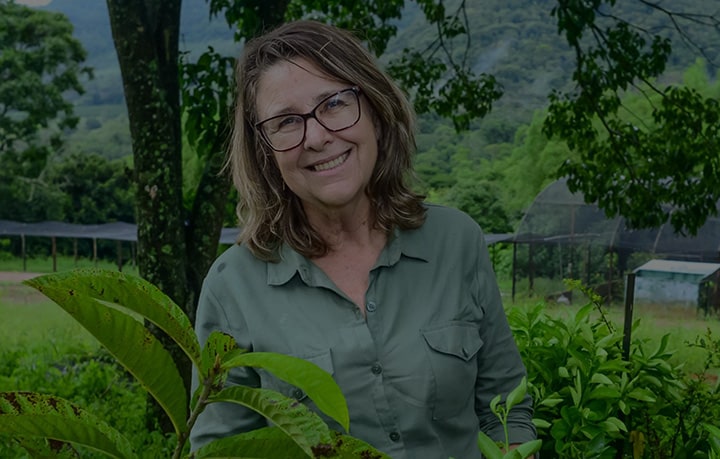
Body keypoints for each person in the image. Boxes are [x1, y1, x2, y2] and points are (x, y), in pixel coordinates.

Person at [190, 19, 536, 459]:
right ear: (265, 150)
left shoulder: (456, 241)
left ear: (374, 108)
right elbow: (222, 451)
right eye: (286, 122)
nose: (316, 137)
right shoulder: (232, 287)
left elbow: (505, 409)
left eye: (333, 103)